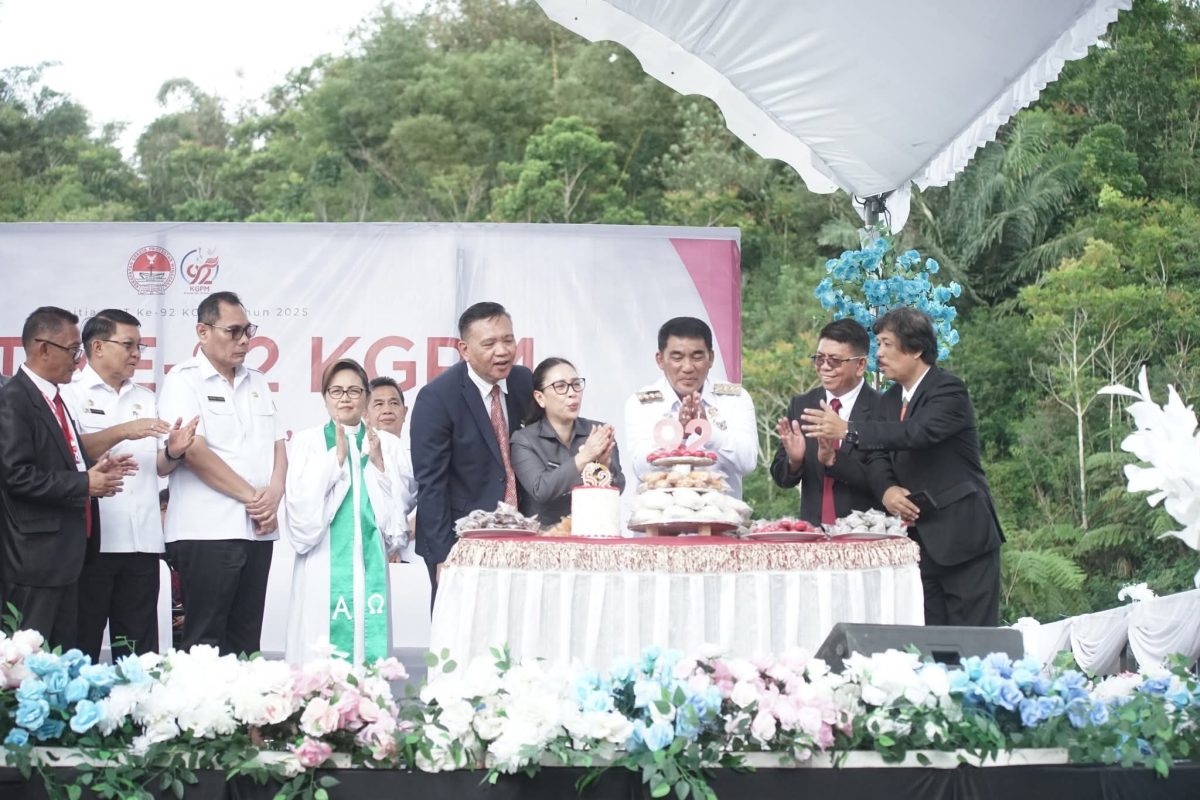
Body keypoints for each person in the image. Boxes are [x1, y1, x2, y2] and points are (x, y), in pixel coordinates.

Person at [801, 307, 1004, 626]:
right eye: (878, 345)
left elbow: (917, 433)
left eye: (886, 344)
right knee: (929, 643)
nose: (878, 353)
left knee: (974, 645)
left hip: (962, 539)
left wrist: (847, 429)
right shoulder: (889, 399)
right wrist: (887, 490)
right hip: (915, 544)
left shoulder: (948, 390)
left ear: (916, 349)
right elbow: (879, 455)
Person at [62, 309, 198, 661]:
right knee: (83, 643)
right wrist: (123, 430)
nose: (137, 354)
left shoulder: (145, 397)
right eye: (129, 345)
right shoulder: (70, 395)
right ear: (97, 346)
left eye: (141, 346)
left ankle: (136, 714)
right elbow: (70, 452)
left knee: (137, 649)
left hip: (143, 541)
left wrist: (174, 451)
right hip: (93, 541)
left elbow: (157, 465)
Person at [157, 291, 287, 655]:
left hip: (258, 531)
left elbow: (279, 444)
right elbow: (193, 451)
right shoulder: (184, 379)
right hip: (208, 532)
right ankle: (199, 714)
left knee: (246, 640)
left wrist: (273, 496)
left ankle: (244, 713)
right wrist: (253, 498)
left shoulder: (257, 380)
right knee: (205, 641)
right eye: (233, 331)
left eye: (248, 331)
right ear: (202, 331)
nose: (244, 340)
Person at [0, 307, 134, 649]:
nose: (78, 360)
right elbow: (15, 475)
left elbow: (62, 464)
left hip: (69, 557)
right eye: (73, 350)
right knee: (26, 669)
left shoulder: (56, 400)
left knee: (61, 665)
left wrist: (95, 472)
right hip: (34, 562)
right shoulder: (13, 399)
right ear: (43, 348)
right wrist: (83, 484)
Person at [284, 359, 411, 665]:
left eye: (354, 390)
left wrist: (379, 465)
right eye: (336, 390)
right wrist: (335, 462)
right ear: (325, 396)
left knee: (368, 640)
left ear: (366, 396)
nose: (345, 398)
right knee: (320, 648)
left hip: (370, 564)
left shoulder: (388, 445)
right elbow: (300, 513)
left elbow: (398, 520)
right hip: (322, 562)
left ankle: (369, 709)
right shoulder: (307, 442)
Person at [410, 302, 533, 600]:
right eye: (489, 343)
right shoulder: (437, 399)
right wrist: (442, 556)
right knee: (462, 631)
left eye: (508, 340)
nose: (502, 351)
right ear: (464, 350)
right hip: (462, 537)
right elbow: (432, 485)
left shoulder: (524, 382)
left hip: (522, 531)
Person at [624, 317, 756, 498]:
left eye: (697, 357)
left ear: (711, 358)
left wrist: (708, 432)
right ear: (660, 360)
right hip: (662, 517)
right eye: (677, 358)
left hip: (720, 516)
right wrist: (677, 437)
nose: (687, 368)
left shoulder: (735, 398)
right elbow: (640, 468)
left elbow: (748, 462)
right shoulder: (642, 403)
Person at [770, 319, 879, 526]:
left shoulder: (882, 408)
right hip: (813, 536)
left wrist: (833, 459)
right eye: (819, 359)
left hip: (863, 537)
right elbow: (781, 478)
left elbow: (884, 482)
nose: (825, 367)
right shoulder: (802, 406)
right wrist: (794, 462)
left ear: (860, 365)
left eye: (835, 361)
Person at [511, 357, 625, 526]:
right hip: (544, 540)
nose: (572, 393)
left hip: (593, 533)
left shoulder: (597, 432)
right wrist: (584, 457)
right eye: (561, 386)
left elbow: (619, 487)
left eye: (576, 384)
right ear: (540, 398)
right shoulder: (524, 440)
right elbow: (541, 489)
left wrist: (604, 468)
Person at [366, 376, 418, 561]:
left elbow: (434, 501)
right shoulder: (358, 454)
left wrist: (404, 533)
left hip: (411, 555)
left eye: (393, 403)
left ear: (404, 412)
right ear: (365, 414)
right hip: (367, 552)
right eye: (378, 404)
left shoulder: (420, 455)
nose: (387, 410)